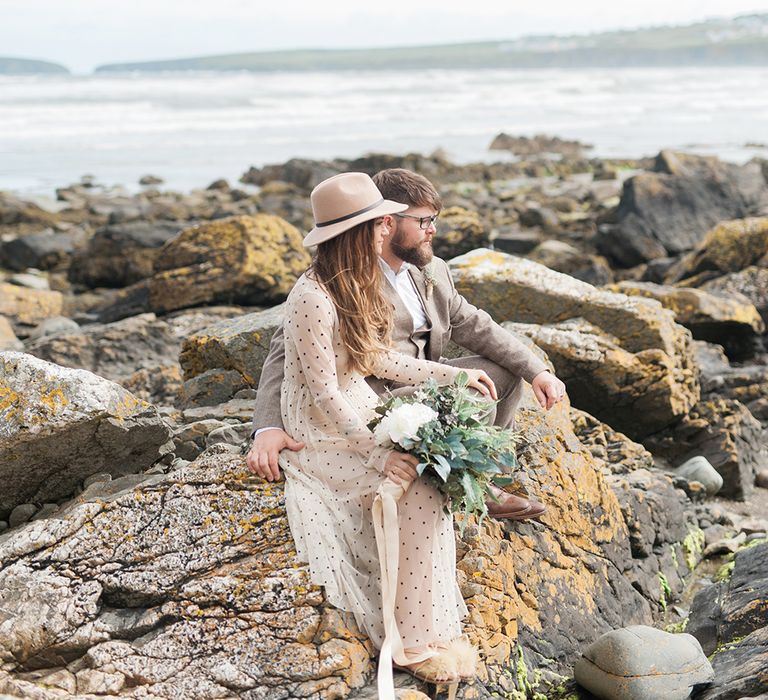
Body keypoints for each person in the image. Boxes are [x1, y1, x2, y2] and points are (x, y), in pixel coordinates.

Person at [274, 172, 493, 696]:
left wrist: (454, 375)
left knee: (429, 479)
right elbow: (324, 392)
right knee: (406, 485)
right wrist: (377, 450)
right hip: (320, 426)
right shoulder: (312, 298)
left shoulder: (360, 282)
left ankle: (425, 628)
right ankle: (410, 643)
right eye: (377, 223)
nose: (385, 228)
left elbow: (375, 358)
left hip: (360, 404)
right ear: (358, 233)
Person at [248, 168, 567, 520]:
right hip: (375, 398)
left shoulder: (432, 269)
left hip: (422, 379)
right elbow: (284, 354)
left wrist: (537, 370)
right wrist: (268, 427)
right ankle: (469, 487)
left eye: (435, 219)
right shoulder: (337, 282)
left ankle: (486, 473)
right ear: (388, 221)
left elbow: (473, 323)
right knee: (469, 399)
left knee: (502, 374)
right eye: (424, 220)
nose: (433, 230)